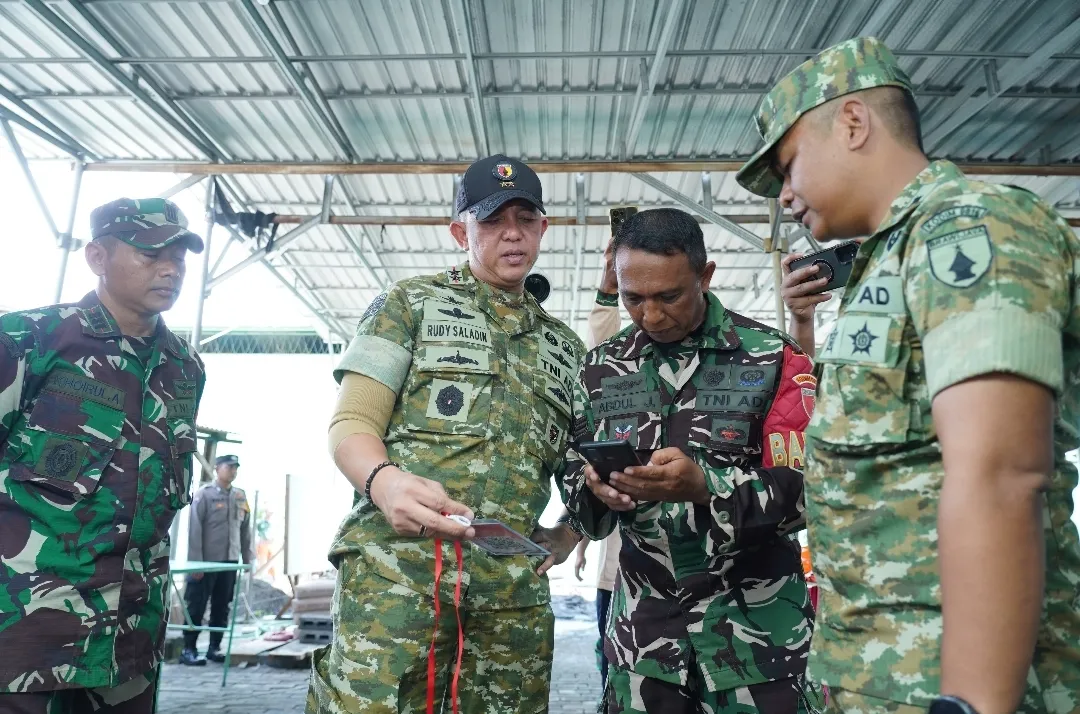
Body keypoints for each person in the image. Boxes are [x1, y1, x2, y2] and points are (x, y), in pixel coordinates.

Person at [738, 36, 1080, 714]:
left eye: (787, 165)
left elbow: (1004, 473)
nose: (786, 196)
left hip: (948, 683)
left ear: (854, 123)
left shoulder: (967, 225)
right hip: (881, 678)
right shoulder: (886, 261)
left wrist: (971, 704)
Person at [306, 154, 585, 714]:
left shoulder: (567, 349)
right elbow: (352, 422)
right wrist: (383, 483)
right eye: (491, 220)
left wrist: (568, 532)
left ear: (543, 228)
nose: (512, 234)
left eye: (525, 219)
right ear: (462, 231)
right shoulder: (408, 305)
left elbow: (583, 469)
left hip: (509, 597)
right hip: (396, 574)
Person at [559, 207, 820, 713]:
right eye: (633, 298)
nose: (651, 316)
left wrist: (706, 487)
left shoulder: (772, 358)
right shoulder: (599, 368)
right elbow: (575, 488)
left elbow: (811, 490)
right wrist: (594, 490)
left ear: (705, 275)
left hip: (757, 646)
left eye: (669, 297)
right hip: (645, 649)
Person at [0, 198, 206, 712]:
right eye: (150, 253)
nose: (171, 268)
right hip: (27, 640)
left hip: (130, 646)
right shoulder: (30, 341)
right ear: (97, 257)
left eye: (180, 256)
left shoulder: (185, 367)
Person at [571, 232, 624, 691]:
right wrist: (583, 542)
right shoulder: (625, 387)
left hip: (695, 580)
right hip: (617, 576)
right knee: (613, 676)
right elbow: (603, 349)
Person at [180, 454, 254, 666]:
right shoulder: (204, 495)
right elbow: (194, 530)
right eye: (229, 467)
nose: (233, 471)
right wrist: (195, 563)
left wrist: (247, 559)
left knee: (222, 606)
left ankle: (215, 648)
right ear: (217, 468)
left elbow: (245, 531)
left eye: (235, 467)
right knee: (196, 605)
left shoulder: (240, 496)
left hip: (229, 562)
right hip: (205, 563)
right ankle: (189, 649)